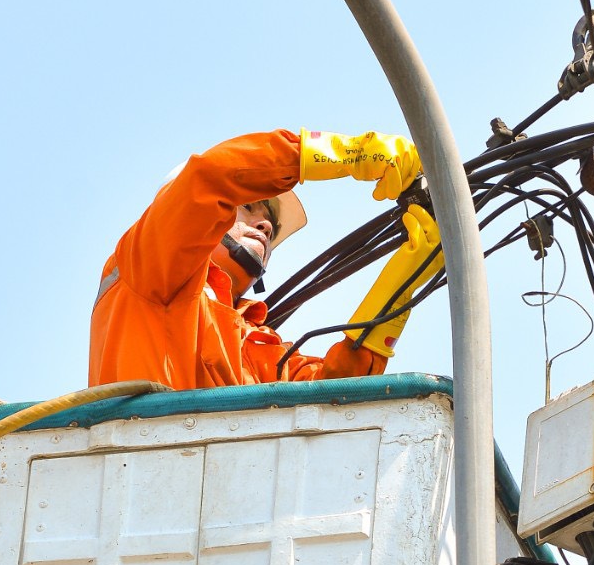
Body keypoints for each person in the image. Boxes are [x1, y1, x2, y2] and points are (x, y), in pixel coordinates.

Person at [89, 128, 444, 392]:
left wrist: (404, 281)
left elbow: (330, 395)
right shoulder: (148, 263)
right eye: (248, 207)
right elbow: (210, 178)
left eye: (271, 225)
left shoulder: (252, 340)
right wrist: (342, 154)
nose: (264, 225)